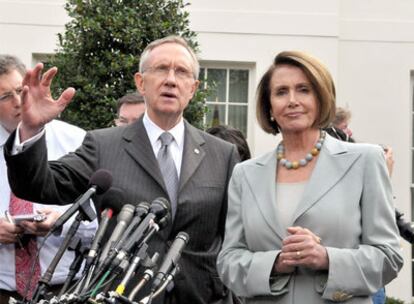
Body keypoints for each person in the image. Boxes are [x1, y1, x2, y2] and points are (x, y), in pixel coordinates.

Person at [4, 36, 239, 304]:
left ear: (193, 88)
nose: (171, 79)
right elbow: (38, 185)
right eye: (161, 69)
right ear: (141, 82)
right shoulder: (103, 145)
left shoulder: (222, 154)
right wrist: (31, 129)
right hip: (120, 295)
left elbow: (234, 237)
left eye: (182, 72)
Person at [217, 51, 403, 303]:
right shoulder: (245, 174)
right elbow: (229, 261)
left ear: (321, 98)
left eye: (303, 89)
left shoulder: (366, 161)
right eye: (281, 92)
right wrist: (276, 262)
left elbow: (389, 256)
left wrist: (326, 257)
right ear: (269, 106)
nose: (292, 100)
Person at [0, 55, 97, 302]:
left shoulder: (77, 141)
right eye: (4, 97)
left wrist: (63, 224)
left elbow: (103, 223)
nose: (18, 102)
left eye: (20, 91)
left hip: (64, 289)